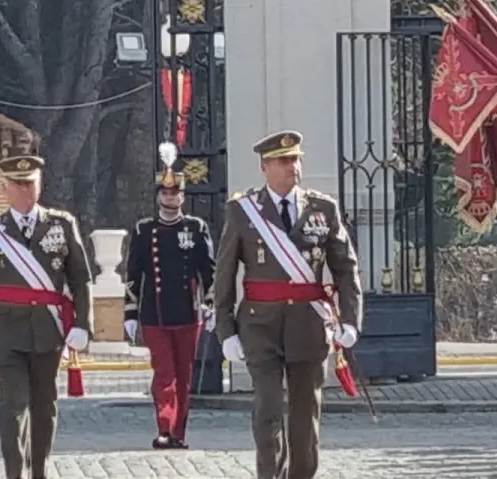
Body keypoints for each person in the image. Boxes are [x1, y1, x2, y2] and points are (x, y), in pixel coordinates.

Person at [212, 131, 363, 479]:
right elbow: (224, 274)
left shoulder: (323, 209)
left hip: (308, 326)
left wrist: (350, 321)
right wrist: (226, 330)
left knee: (305, 415)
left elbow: (345, 267)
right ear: (265, 167)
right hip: (259, 326)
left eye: (296, 159)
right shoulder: (243, 211)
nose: (293, 166)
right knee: (267, 409)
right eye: (284, 160)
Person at [0, 155, 94, 479]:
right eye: (18, 184)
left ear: (40, 185)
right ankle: (14, 473)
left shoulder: (61, 225)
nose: (24, 190)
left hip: (48, 329)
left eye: (30, 183)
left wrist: (83, 324)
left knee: (44, 405)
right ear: (5, 189)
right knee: (13, 403)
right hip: (5, 331)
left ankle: (39, 472)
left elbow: (80, 278)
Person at [124, 142, 215, 449]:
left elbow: (208, 270)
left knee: (184, 375)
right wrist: (130, 313)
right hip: (155, 312)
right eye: (165, 193)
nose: (170, 198)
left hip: (188, 312)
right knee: (164, 373)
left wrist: (210, 303)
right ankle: (164, 427)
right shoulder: (144, 230)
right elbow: (134, 273)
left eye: (175, 193)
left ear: (183, 196)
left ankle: (179, 432)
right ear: (158, 196)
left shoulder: (196, 227)